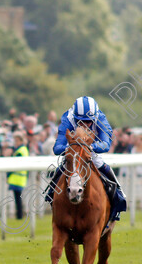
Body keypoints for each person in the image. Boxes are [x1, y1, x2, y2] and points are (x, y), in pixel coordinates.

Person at [44, 96, 128, 224]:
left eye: (89, 121)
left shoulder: (100, 118)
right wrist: (73, 148)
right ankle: (50, 195)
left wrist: (89, 147)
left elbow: (106, 144)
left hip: (91, 152)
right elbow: (57, 148)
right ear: (75, 117)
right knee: (62, 168)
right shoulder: (68, 118)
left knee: (102, 165)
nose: (85, 124)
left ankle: (119, 197)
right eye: (81, 121)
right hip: (73, 152)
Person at [6, 131, 29, 220]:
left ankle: (19, 216)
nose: (14, 143)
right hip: (18, 178)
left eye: (16, 141)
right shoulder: (22, 149)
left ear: (20, 140)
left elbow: (15, 164)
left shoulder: (20, 150)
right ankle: (19, 216)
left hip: (17, 178)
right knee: (18, 199)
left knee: (18, 200)